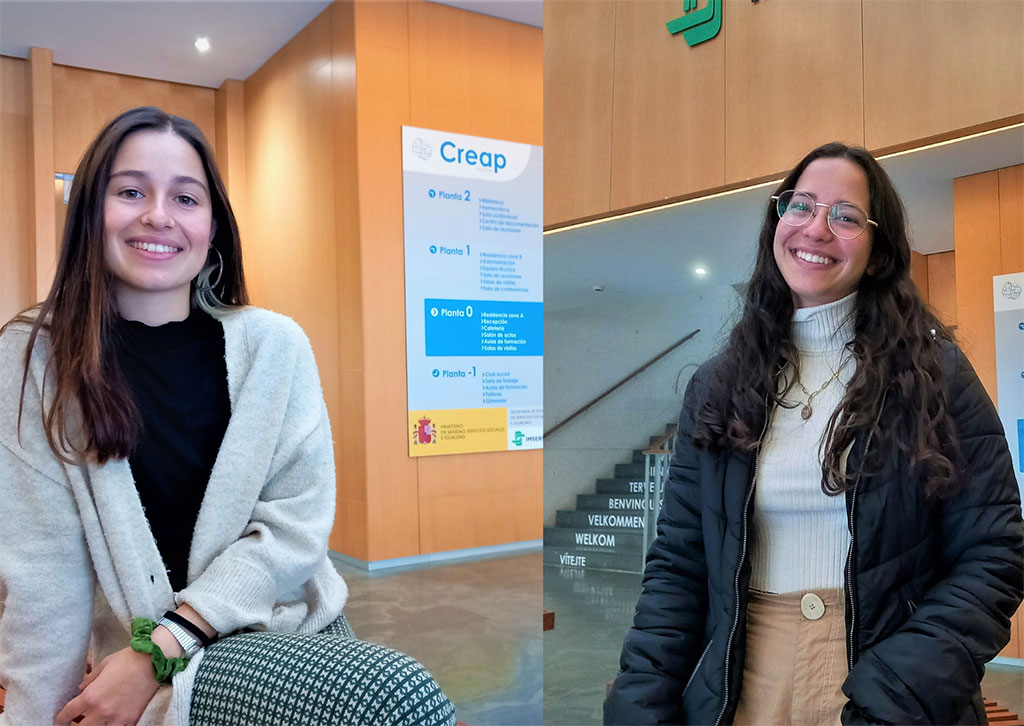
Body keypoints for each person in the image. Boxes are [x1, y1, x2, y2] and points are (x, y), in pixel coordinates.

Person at [0, 106, 456, 726]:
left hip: (282, 627)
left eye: (186, 198)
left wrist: (166, 643)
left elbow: (295, 526)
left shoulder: (274, 345)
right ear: (89, 212)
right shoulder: (34, 357)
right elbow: (42, 578)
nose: (158, 214)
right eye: (130, 191)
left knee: (398, 700)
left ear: (212, 226)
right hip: (168, 674)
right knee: (399, 697)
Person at [604, 142, 1024, 725]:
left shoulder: (936, 375)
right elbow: (680, 561)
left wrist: (901, 684)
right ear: (777, 222)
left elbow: (995, 552)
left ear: (878, 252)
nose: (817, 228)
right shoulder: (720, 384)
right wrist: (640, 700)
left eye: (846, 216)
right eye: (800, 206)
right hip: (742, 677)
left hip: (887, 678)